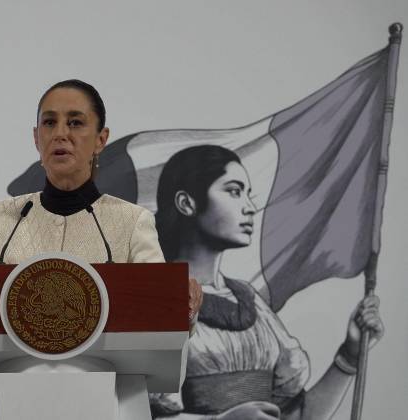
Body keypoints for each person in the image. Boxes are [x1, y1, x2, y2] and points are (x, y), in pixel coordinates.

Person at [0, 79, 202, 320]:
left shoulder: (132, 222)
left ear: (101, 139)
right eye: (49, 122)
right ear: (37, 138)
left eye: (75, 122)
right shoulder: (3, 218)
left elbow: (159, 316)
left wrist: (183, 305)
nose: (60, 133)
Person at [149, 145, 384, 420]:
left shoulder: (249, 300)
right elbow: (134, 413)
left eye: (248, 194)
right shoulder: (150, 299)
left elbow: (298, 416)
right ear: (186, 203)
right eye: (234, 191)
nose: (250, 207)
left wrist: (350, 354)